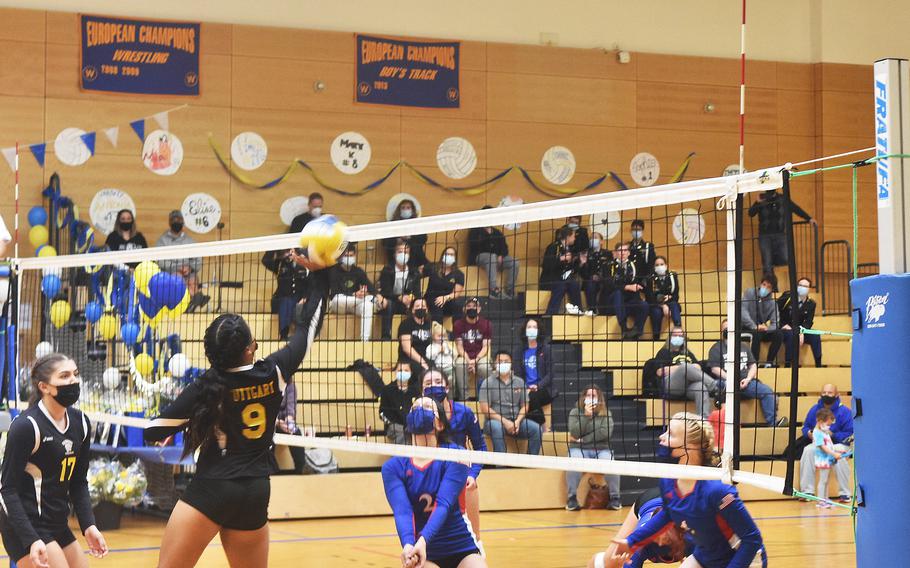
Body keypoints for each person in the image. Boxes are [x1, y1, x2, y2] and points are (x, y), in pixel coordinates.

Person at [143, 261, 328, 568]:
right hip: (254, 491)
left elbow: (154, 431)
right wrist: (322, 273)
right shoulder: (274, 372)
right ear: (249, 349)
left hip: (212, 488)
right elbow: (309, 328)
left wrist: (187, 420)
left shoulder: (205, 385)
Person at [612, 412, 767, 568]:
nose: (662, 437)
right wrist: (631, 542)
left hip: (744, 556)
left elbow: (751, 540)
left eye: (670, 434)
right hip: (707, 555)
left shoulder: (716, 491)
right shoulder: (669, 483)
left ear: (690, 447)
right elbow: (666, 516)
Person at [0, 354, 108, 567]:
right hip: (26, 522)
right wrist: (31, 539)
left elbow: (78, 482)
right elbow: (7, 490)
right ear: (44, 387)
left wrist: (89, 525)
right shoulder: (27, 426)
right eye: (65, 376)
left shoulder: (81, 423)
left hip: (57, 521)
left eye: (75, 375)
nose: (73, 381)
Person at [381, 397, 486, 568]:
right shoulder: (392, 467)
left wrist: (423, 540)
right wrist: (408, 545)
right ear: (408, 421)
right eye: (415, 407)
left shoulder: (456, 456)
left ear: (440, 424)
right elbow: (403, 512)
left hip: (460, 546)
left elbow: (443, 504)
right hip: (423, 551)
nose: (421, 409)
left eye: (428, 407)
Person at [421, 370, 487, 542]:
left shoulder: (464, 413)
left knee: (471, 488)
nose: (433, 386)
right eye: (428, 384)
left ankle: (477, 543)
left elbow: (480, 447)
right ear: (422, 391)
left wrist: (472, 475)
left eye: (437, 381)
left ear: (447, 387)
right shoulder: (420, 416)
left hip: (459, 473)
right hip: (432, 474)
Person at [706, 319, 787, 427]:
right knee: (720, 386)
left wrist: (748, 379)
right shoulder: (716, 348)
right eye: (726, 328)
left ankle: (773, 424)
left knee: (767, 391)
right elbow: (714, 368)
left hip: (746, 382)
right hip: (726, 382)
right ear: (722, 331)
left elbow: (753, 365)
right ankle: (729, 424)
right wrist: (732, 379)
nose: (728, 330)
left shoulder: (744, 346)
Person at [587, 487, 689, 568]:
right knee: (608, 561)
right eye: (656, 537)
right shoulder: (641, 545)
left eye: (666, 540)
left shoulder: (692, 537)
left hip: (673, 500)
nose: (661, 543)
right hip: (648, 500)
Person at [565, 386, 621, 512]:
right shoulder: (575, 412)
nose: (591, 398)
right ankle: (572, 499)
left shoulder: (605, 413)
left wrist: (584, 439)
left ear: (599, 398)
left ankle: (615, 499)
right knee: (574, 463)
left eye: (594, 396)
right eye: (588, 395)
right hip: (578, 449)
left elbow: (605, 433)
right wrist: (586, 417)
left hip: (601, 449)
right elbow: (574, 432)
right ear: (583, 397)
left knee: (611, 465)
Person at [478, 351, 542, 455]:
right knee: (496, 427)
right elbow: (485, 409)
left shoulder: (519, 382)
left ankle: (530, 464)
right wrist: (505, 422)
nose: (503, 363)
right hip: (494, 422)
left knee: (536, 429)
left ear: (511, 363)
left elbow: (525, 405)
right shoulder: (488, 382)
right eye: (500, 361)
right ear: (495, 364)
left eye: (506, 361)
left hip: (517, 422)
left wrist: (517, 421)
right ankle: (501, 466)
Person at [799, 384, 853, 503]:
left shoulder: (845, 411)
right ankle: (807, 491)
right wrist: (808, 433)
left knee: (838, 452)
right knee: (808, 450)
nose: (826, 395)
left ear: (837, 395)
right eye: (824, 392)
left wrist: (832, 434)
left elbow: (850, 433)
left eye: (829, 393)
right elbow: (806, 426)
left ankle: (845, 493)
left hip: (839, 444)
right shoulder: (815, 409)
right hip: (820, 444)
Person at [748, 188, 815, 277]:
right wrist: (757, 202)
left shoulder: (783, 198)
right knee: (767, 264)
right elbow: (751, 213)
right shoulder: (762, 199)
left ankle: (771, 262)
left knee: (786, 257)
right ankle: (770, 284)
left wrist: (809, 218)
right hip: (765, 235)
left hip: (780, 234)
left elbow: (795, 208)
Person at [655, 327, 718, 418]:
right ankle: (715, 386)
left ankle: (704, 421)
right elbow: (660, 372)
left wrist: (678, 368)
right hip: (671, 385)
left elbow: (698, 367)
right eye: (675, 335)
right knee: (685, 367)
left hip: (688, 385)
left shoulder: (688, 353)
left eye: (680, 336)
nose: (678, 338)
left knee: (701, 387)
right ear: (670, 337)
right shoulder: (663, 352)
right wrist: (682, 368)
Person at [156, 210, 209, 313]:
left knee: (192, 280)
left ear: (183, 222)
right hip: (169, 273)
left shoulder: (190, 241)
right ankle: (183, 304)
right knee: (177, 278)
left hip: (189, 272)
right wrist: (177, 268)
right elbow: (160, 261)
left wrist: (190, 267)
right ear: (169, 222)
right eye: (174, 220)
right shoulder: (162, 241)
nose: (176, 222)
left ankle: (192, 303)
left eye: (179, 220)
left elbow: (198, 261)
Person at [511, 318, 557, 429]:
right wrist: (525, 387)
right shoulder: (519, 351)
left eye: (534, 327)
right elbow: (517, 374)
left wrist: (538, 386)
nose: (532, 329)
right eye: (529, 327)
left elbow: (550, 374)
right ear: (525, 330)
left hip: (545, 389)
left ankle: (542, 427)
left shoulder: (546, 349)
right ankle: (538, 427)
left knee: (532, 396)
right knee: (529, 396)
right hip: (525, 389)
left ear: (538, 330)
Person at [328, 243, 377, 341]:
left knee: (368, 306)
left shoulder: (358, 271)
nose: (348, 258)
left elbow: (371, 288)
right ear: (341, 256)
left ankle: (364, 341)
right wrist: (355, 294)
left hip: (355, 305)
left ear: (355, 256)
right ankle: (368, 300)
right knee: (337, 299)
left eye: (351, 256)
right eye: (346, 256)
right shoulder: (334, 270)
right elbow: (333, 294)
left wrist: (365, 293)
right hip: (339, 305)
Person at [468, 205, 518, 298]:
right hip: (479, 258)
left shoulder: (497, 233)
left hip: (497, 260)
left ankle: (509, 289)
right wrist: (486, 233)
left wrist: (501, 256)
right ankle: (493, 289)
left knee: (514, 262)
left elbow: (504, 248)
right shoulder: (475, 230)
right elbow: (474, 245)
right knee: (491, 257)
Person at [377, 241, 423, 339]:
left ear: (409, 255)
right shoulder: (388, 269)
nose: (403, 254)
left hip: (407, 303)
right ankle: (386, 336)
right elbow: (385, 292)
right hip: (392, 301)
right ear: (394, 254)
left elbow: (417, 293)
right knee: (388, 304)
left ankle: (414, 336)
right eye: (400, 252)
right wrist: (399, 297)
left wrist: (412, 298)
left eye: (406, 252)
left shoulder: (414, 272)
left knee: (418, 305)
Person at [262, 247, 310, 340]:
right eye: (287, 251)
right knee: (286, 301)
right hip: (282, 298)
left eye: (291, 251)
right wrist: (274, 245)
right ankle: (284, 334)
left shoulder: (304, 265)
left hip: (300, 298)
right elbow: (265, 260)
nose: (289, 253)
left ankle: (300, 334)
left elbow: (309, 284)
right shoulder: (280, 264)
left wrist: (305, 298)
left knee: (299, 305)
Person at [602, 243, 647, 339]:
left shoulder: (634, 266)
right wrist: (626, 287)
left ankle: (636, 331)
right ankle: (624, 328)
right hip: (612, 303)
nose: (622, 253)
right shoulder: (608, 265)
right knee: (618, 294)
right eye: (620, 250)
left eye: (625, 250)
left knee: (644, 305)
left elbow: (639, 283)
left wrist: (637, 286)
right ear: (615, 253)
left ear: (629, 253)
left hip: (628, 302)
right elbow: (608, 286)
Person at [452, 298, 493, 401]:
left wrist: (476, 360)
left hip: (480, 355)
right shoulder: (458, 324)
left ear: (479, 309)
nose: (471, 308)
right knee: (459, 364)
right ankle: (464, 399)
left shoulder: (486, 324)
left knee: (485, 367)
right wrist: (468, 360)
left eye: (474, 306)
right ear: (464, 309)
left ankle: (485, 398)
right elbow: (459, 346)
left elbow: (486, 346)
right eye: (469, 306)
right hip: (464, 355)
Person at [540, 226, 586, 316]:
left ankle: (577, 310)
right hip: (550, 279)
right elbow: (546, 264)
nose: (575, 238)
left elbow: (570, 271)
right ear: (568, 237)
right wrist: (561, 258)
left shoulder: (569, 250)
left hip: (563, 279)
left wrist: (581, 264)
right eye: (573, 236)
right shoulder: (553, 246)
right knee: (561, 285)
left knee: (574, 284)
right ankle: (550, 314)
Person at [777, 277, 822, 367]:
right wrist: (781, 325)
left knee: (815, 335)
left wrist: (802, 332)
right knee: (791, 335)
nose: (802, 287)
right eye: (800, 285)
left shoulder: (811, 304)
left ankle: (818, 364)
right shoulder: (787, 297)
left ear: (809, 289)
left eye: (805, 286)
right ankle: (788, 364)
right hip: (785, 328)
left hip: (800, 330)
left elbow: (809, 321)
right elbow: (775, 311)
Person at [741, 273, 783, 366]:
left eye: (768, 287)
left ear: (772, 290)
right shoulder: (749, 293)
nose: (765, 288)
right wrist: (754, 326)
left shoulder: (772, 303)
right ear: (760, 284)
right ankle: (754, 364)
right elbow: (743, 312)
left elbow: (775, 323)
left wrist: (767, 329)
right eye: (764, 284)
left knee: (779, 334)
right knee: (756, 334)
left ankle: (769, 362)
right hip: (745, 327)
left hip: (761, 330)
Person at [811, 408, 847, 509]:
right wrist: (834, 454)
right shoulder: (817, 433)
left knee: (826, 480)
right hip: (823, 459)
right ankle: (821, 501)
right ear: (820, 422)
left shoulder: (824, 432)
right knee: (823, 480)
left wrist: (838, 452)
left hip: (828, 458)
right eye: (828, 424)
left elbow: (829, 444)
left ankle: (825, 498)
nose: (829, 427)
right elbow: (823, 447)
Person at [397, 298, 433, 391]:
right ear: (412, 310)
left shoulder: (429, 324)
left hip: (426, 357)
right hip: (408, 359)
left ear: (427, 309)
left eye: (423, 306)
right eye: (417, 306)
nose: (421, 308)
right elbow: (406, 348)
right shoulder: (406, 324)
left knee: (437, 370)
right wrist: (422, 362)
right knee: (422, 371)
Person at [381, 199, 428, 268]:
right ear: (399, 210)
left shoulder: (417, 223)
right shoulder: (392, 224)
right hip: (394, 261)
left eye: (408, 208)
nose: (405, 210)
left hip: (416, 260)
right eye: (403, 208)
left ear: (412, 210)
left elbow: (423, 239)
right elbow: (385, 242)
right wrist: (398, 239)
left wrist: (409, 237)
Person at [425, 246, 466, 323]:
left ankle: (457, 332)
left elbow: (456, 293)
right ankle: (437, 332)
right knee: (437, 305)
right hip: (431, 299)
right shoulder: (434, 268)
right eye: (447, 254)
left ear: (455, 258)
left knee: (458, 307)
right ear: (443, 255)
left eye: (451, 255)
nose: (449, 256)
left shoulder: (459, 274)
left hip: (447, 300)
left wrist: (445, 298)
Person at [644, 256, 681, 340]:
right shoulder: (650, 278)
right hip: (655, 305)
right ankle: (656, 337)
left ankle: (678, 330)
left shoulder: (672, 276)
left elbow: (676, 295)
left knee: (674, 305)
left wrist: (669, 298)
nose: (659, 266)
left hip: (671, 302)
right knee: (656, 312)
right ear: (654, 267)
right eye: (657, 265)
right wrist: (663, 305)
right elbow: (649, 297)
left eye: (661, 264)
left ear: (666, 266)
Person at [379, 361, 414, 445]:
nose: (403, 373)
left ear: (411, 373)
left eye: (406, 370)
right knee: (402, 433)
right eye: (400, 370)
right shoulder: (387, 390)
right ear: (395, 372)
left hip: (412, 425)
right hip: (394, 426)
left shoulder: (415, 391)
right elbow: (382, 413)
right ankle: (402, 457)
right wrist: (392, 424)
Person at [578, 231, 612, 313]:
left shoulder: (607, 254)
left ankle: (604, 312)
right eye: (591, 238)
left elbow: (610, 269)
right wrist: (582, 264)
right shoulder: (586, 253)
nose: (593, 240)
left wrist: (601, 277)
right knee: (590, 284)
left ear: (601, 241)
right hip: (590, 280)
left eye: (595, 238)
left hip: (604, 280)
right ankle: (592, 310)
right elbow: (581, 273)